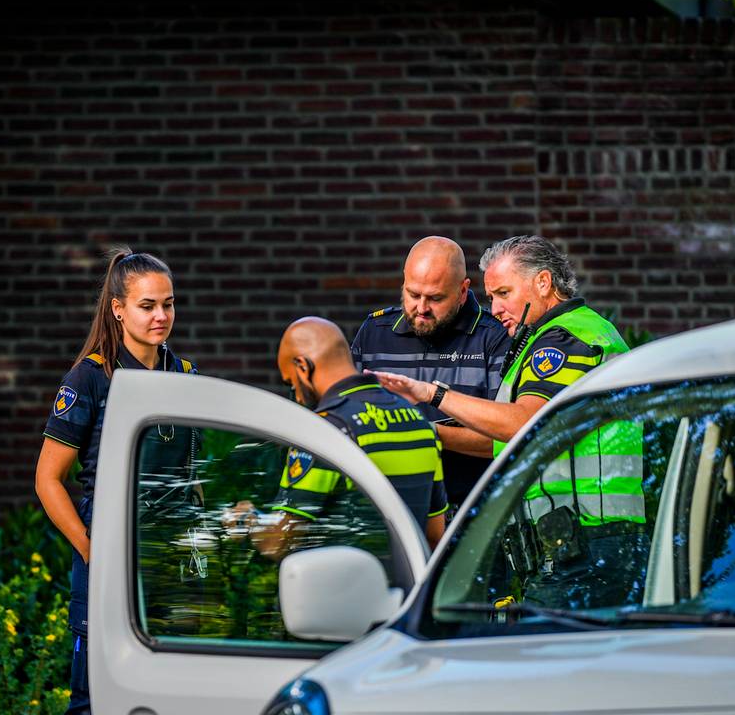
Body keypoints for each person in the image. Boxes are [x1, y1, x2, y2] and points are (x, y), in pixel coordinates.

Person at [371, 235, 646, 608]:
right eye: (491, 297)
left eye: (504, 293)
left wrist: (432, 394)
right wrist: (428, 431)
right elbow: (505, 439)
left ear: (543, 283)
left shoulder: (566, 338)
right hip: (582, 546)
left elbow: (524, 423)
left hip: (586, 546)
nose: (496, 309)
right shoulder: (558, 335)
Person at [35, 249, 198, 715]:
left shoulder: (185, 375)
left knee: (170, 697)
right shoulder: (89, 378)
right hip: (109, 550)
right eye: (147, 306)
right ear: (118, 308)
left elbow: (194, 474)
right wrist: (93, 551)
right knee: (96, 700)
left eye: (168, 304)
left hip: (170, 556)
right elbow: (47, 480)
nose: (161, 316)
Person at [227, 317, 447, 559]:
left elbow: (277, 542)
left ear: (303, 367)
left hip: (349, 582)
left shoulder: (324, 430)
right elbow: (434, 536)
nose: (297, 397)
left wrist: (248, 519)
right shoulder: (418, 422)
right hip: (409, 581)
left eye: (292, 384)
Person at [350, 236, 509, 510]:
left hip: (469, 512)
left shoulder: (494, 336)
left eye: (436, 298)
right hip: (387, 509)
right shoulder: (374, 332)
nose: (422, 308)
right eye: (413, 294)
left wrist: (422, 433)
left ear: (463, 291)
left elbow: (505, 437)